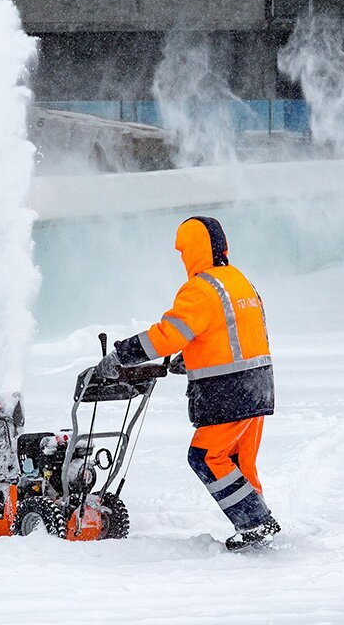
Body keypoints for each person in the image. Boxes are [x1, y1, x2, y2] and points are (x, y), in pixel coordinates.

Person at [96, 215, 281, 550]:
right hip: (259, 384)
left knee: (205, 455)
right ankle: (258, 524)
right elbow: (232, 333)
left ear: (195, 250)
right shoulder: (238, 281)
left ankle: (256, 522)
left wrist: (122, 355)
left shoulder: (200, 288)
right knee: (239, 459)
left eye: (184, 252)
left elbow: (167, 336)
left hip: (230, 390)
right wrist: (194, 358)